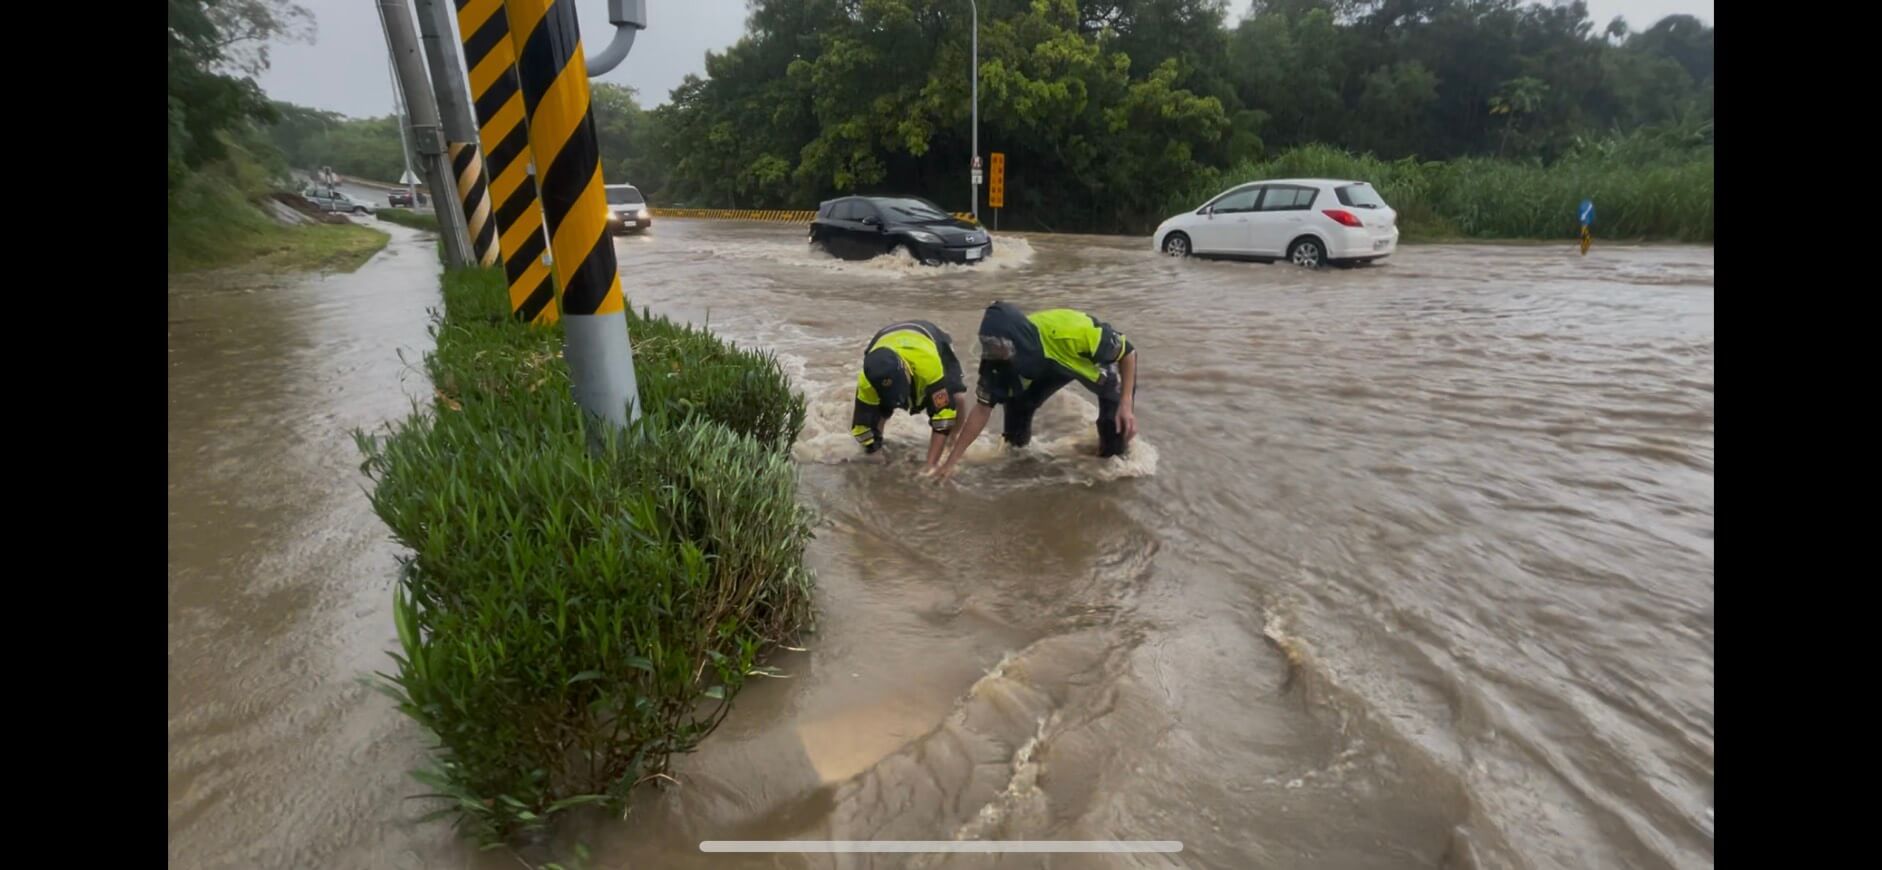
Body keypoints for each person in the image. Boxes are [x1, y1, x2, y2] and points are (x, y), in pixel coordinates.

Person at [934, 301, 1138, 483]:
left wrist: (1126, 403)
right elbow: (981, 410)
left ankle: (1110, 482)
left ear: (1017, 341)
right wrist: (951, 462)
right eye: (990, 348)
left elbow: (1128, 352)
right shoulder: (995, 359)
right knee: (1016, 412)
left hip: (1086, 364)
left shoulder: (1073, 333)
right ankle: (1020, 465)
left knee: (1114, 431)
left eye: (999, 349)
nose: (994, 354)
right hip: (1043, 367)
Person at [851, 320, 968, 475]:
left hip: (927, 337)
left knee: (957, 397)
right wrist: (873, 451)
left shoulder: (929, 366)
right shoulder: (867, 382)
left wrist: (930, 465)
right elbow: (861, 427)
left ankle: (953, 439)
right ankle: (879, 446)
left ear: (907, 369)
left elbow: (943, 416)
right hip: (882, 340)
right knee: (879, 412)